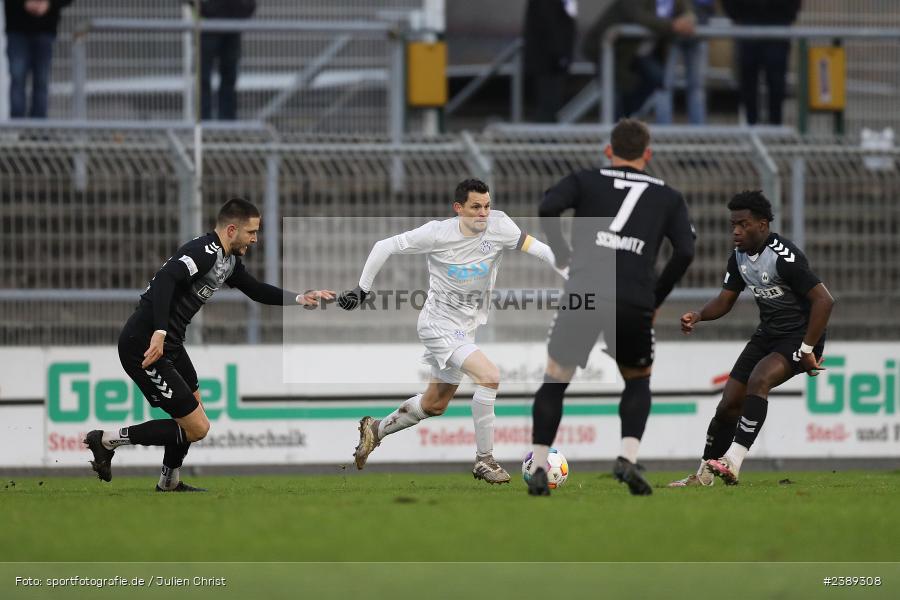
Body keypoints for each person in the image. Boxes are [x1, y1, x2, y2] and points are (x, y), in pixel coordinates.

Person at [84, 199, 334, 491]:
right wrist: (160, 332)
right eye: (251, 232)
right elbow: (165, 279)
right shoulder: (203, 252)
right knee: (198, 428)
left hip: (171, 345)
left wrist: (299, 298)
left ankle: (169, 482)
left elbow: (255, 289)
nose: (255, 238)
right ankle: (105, 440)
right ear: (231, 229)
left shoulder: (227, 261)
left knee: (195, 414)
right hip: (144, 344)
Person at [342, 179, 568, 484]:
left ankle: (376, 430)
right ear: (458, 208)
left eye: (487, 206)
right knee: (490, 376)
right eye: (476, 207)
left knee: (435, 404)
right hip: (438, 324)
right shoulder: (437, 233)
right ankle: (484, 460)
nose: (483, 214)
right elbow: (384, 246)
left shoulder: (500, 226)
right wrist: (362, 289)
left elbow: (540, 250)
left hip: (465, 328)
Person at [526, 118, 695, 496]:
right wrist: (656, 297)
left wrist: (563, 251)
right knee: (638, 378)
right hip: (634, 298)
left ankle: (538, 467)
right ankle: (627, 458)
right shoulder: (667, 195)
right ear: (648, 154)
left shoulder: (586, 179)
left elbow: (549, 205)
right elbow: (685, 251)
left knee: (555, 378)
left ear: (608, 151)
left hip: (584, 291)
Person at [669, 190, 833, 487]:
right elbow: (725, 300)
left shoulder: (785, 257)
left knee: (759, 380)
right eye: (733, 224)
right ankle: (704, 475)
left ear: (763, 224)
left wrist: (808, 349)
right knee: (728, 404)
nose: (736, 231)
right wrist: (699, 314)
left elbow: (824, 301)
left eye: (743, 224)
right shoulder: (739, 257)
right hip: (768, 334)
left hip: (800, 336)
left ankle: (733, 461)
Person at [581, 0, 695, 119]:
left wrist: (687, 21)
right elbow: (638, 16)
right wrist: (673, 26)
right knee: (614, 97)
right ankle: (616, 126)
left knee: (656, 77)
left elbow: (687, 12)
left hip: (637, 55)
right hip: (613, 51)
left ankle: (624, 118)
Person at [722, 0, 802, 125]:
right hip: (748, 24)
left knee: (777, 83)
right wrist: (738, 16)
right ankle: (750, 126)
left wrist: (785, 16)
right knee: (748, 81)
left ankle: (775, 127)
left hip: (777, 26)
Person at [4, 0, 73, 118]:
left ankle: (38, 129)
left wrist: (49, 4)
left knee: (42, 81)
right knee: (17, 78)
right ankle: (16, 126)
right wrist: (23, 4)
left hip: (45, 30)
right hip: (17, 28)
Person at [657, 0, 714, 124]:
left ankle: (697, 133)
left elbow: (707, 6)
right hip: (670, 32)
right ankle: (663, 133)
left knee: (696, 87)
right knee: (663, 85)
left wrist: (696, 22)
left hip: (695, 32)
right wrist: (671, 24)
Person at [198, 0, 256, 120]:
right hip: (207, 25)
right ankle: (203, 124)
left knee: (230, 77)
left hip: (232, 25)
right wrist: (205, 7)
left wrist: (245, 8)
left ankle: (227, 124)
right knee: (203, 78)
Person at [522, 0, 577, 122]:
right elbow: (548, 24)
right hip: (548, 60)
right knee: (548, 105)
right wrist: (560, 53)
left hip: (553, 58)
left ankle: (546, 135)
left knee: (552, 105)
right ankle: (543, 137)